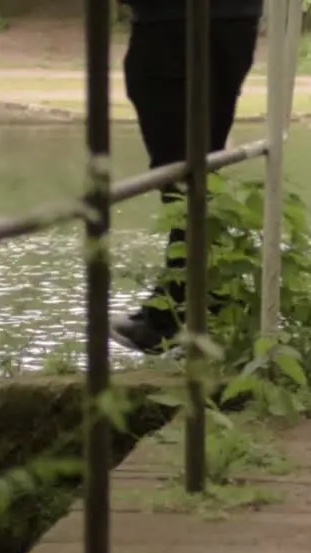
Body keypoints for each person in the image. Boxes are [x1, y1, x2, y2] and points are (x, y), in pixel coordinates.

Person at [109, 0, 262, 354]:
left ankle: (177, 316)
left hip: (176, 22)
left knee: (182, 174)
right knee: (195, 168)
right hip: (228, 19)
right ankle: (201, 304)